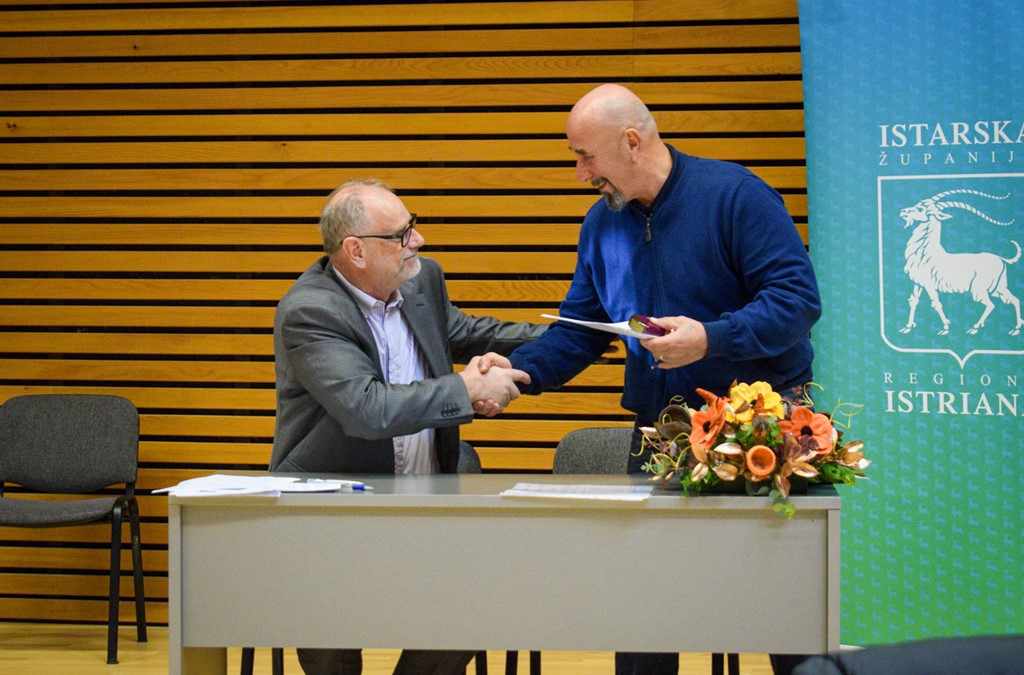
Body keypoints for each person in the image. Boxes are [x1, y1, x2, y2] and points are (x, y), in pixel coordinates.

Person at [505, 84, 822, 675]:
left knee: (782, 609)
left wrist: (711, 337)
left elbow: (797, 302)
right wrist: (519, 372)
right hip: (662, 433)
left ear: (631, 141)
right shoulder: (601, 224)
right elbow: (581, 329)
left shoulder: (736, 196)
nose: (580, 174)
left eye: (585, 157)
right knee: (645, 611)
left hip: (762, 427)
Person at [271, 178, 545, 674]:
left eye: (412, 226)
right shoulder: (310, 311)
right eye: (401, 235)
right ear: (355, 250)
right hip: (332, 514)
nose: (417, 240)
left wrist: (575, 340)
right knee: (330, 644)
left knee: (475, 608)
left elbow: (468, 333)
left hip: (425, 502)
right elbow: (367, 409)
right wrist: (466, 389)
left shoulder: (421, 279)